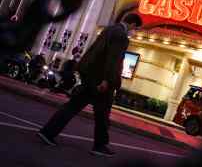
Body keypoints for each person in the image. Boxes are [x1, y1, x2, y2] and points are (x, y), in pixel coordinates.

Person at [37, 15, 141, 157]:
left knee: (73, 106)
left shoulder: (109, 29)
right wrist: (107, 80)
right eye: (135, 28)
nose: (134, 32)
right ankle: (100, 146)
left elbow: (95, 52)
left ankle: (47, 132)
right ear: (132, 24)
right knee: (103, 114)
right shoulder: (121, 36)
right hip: (101, 80)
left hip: (90, 75)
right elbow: (113, 59)